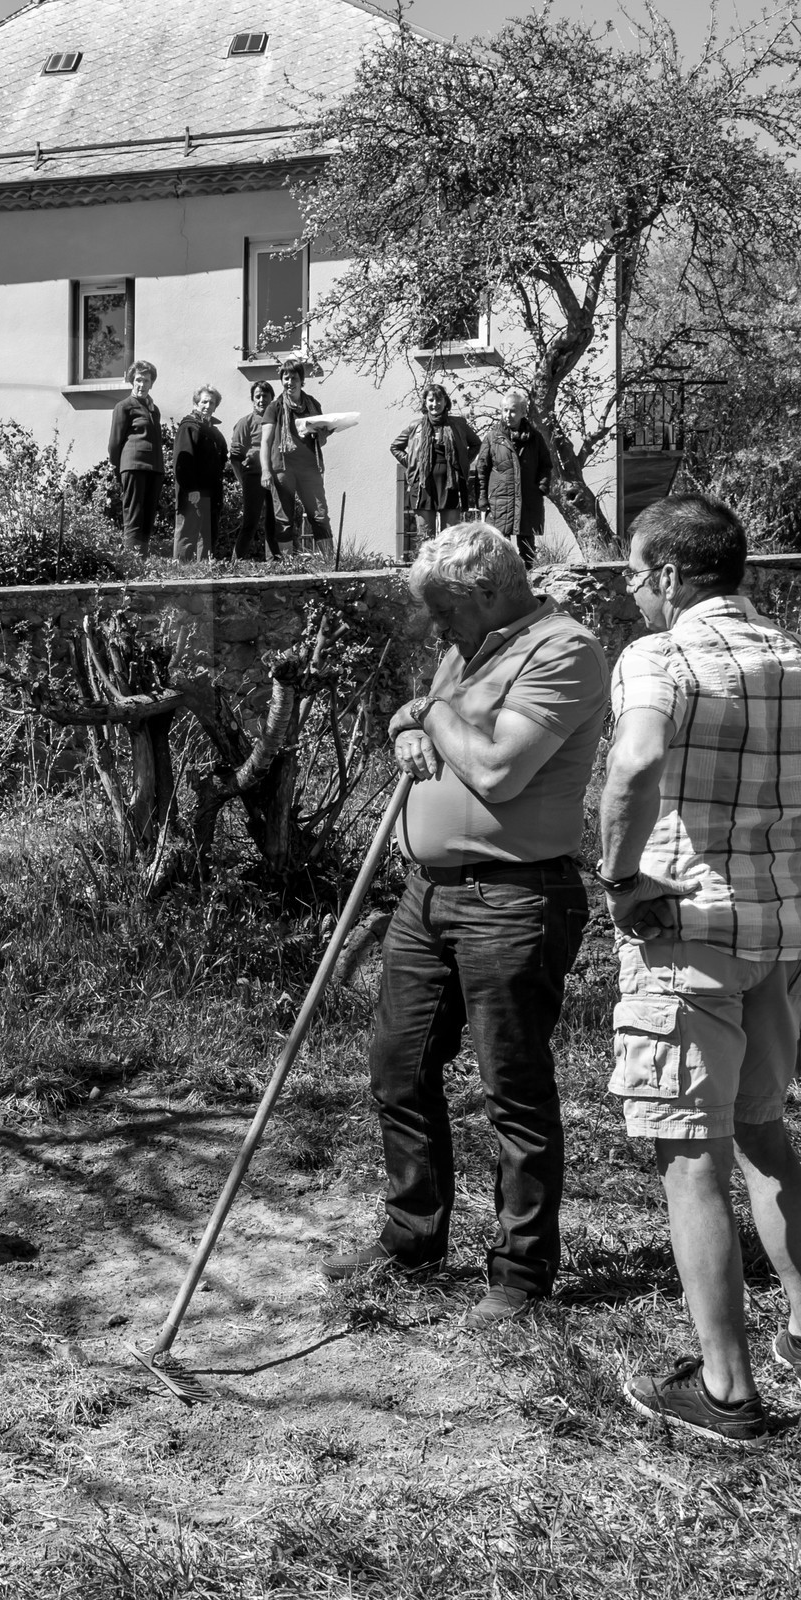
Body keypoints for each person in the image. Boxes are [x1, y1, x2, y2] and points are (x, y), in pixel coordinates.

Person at [323, 522, 607, 1328]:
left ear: (486, 590)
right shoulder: (469, 648)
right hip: (428, 894)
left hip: (514, 898)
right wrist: (410, 725)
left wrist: (428, 710)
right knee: (398, 1067)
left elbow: (496, 769)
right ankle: (413, 1236)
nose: (436, 627)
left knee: (511, 1087)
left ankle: (520, 1271)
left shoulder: (564, 650)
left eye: (444, 608)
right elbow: (426, 726)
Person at [598, 494, 801, 1444]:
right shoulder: (793, 654)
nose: (633, 592)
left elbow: (635, 763)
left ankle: (726, 1390)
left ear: (671, 574)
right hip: (780, 933)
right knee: (764, 1129)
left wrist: (619, 878)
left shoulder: (662, 656)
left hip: (688, 932)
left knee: (691, 1154)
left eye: (635, 574)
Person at [391, 384, 481, 542]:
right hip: (423, 485)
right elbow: (395, 447)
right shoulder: (415, 426)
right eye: (431, 400)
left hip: (450, 485)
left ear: (446, 402)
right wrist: (412, 465)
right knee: (426, 537)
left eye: (439, 400)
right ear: (425, 402)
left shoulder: (458, 424)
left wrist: (462, 463)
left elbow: (476, 444)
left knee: (450, 537)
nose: (435, 404)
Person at [262, 360, 335, 558]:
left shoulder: (313, 404)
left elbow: (321, 439)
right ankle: (287, 565)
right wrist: (266, 471)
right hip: (283, 468)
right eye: (286, 378)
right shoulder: (274, 407)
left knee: (320, 515)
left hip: (310, 468)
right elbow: (266, 442)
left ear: (301, 380)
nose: (289, 382)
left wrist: (322, 433)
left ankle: (329, 562)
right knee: (284, 520)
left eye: (294, 378)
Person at [474, 387, 553, 567]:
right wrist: (482, 498)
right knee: (499, 548)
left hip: (527, 498)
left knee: (527, 548)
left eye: (512, 411)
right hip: (500, 500)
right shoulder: (492, 438)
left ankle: (529, 579)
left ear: (523, 412)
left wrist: (542, 487)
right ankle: (502, 580)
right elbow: (482, 470)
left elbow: (545, 465)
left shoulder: (535, 438)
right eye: (505, 410)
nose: (508, 415)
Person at [107, 360, 163, 555]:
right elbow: (115, 443)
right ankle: (131, 562)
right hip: (133, 467)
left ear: (151, 383)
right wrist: (118, 469)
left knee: (147, 518)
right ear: (132, 381)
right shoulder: (124, 406)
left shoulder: (154, 410)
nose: (142, 384)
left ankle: (142, 561)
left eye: (146, 380)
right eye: (138, 379)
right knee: (134, 516)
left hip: (154, 469)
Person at [172, 384, 229, 562]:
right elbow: (182, 463)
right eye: (204, 402)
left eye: (211, 403)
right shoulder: (188, 427)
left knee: (206, 536)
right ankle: (181, 572)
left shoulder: (214, 432)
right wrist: (191, 489)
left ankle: (204, 570)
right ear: (196, 403)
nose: (207, 406)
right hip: (193, 493)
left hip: (211, 493)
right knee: (187, 534)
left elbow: (222, 458)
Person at [228, 380, 276, 559]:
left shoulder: (278, 422)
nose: (261, 400)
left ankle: (276, 562)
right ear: (253, 399)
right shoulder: (245, 422)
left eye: (265, 396)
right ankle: (235, 563)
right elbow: (235, 457)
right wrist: (243, 481)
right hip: (254, 476)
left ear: (271, 398)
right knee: (250, 522)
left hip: (275, 476)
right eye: (258, 396)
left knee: (275, 521)